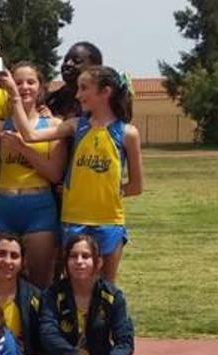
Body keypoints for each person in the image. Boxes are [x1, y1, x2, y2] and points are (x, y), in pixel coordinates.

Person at [10, 65, 144, 281]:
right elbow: (30, 135)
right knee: (74, 286)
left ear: (105, 92)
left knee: (105, 288)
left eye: (84, 88)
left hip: (109, 220)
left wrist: (105, 193)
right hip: (74, 219)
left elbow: (136, 186)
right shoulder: (75, 126)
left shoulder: (127, 133)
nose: (77, 94)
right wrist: (14, 98)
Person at [0, 62, 65, 287]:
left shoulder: (53, 125)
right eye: (18, 82)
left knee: (39, 282)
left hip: (38, 207)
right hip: (3, 205)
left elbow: (54, 174)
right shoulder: (4, 125)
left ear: (41, 88)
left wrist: (23, 148)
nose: (24, 87)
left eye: (30, 82)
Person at [46, 42, 103, 120]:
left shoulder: (104, 104)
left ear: (95, 67)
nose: (68, 64)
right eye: (65, 60)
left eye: (77, 61)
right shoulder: (51, 100)